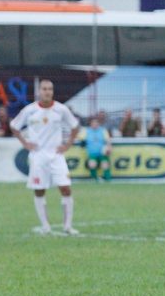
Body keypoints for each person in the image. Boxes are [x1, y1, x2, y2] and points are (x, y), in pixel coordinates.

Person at [11, 79, 81, 236]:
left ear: (53, 91)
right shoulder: (29, 110)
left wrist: (68, 144)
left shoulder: (61, 109)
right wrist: (25, 142)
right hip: (38, 156)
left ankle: (68, 226)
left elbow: (75, 126)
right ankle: (45, 226)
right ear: (39, 91)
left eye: (50, 89)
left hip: (56, 155)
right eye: (44, 89)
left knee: (65, 188)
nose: (47, 92)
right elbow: (14, 126)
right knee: (39, 190)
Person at [78, 116, 112, 182]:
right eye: (93, 123)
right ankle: (95, 179)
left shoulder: (103, 130)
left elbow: (108, 140)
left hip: (102, 153)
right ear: (90, 124)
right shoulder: (86, 131)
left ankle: (107, 179)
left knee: (105, 164)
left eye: (96, 123)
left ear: (98, 124)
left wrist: (109, 148)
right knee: (92, 164)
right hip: (92, 153)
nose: (95, 124)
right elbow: (79, 137)